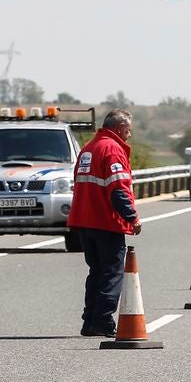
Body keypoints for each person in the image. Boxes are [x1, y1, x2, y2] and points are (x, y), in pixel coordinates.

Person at [68, 108, 142, 336]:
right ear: (120, 128)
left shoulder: (89, 148)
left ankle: (90, 321)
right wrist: (132, 217)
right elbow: (118, 189)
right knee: (111, 272)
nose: (129, 135)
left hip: (85, 221)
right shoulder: (112, 149)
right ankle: (102, 321)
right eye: (129, 130)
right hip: (104, 221)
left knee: (96, 272)